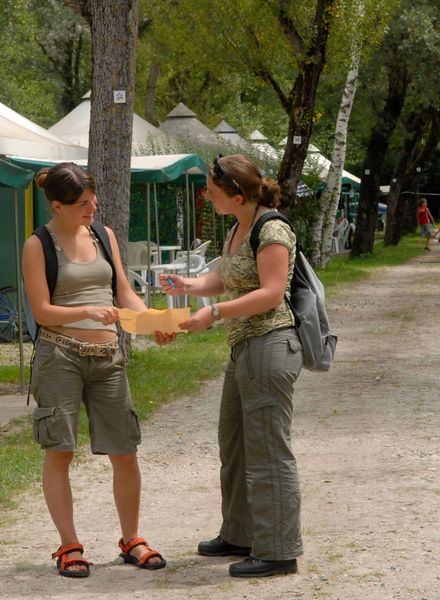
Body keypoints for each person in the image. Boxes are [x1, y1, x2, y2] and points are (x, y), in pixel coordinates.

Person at [22, 163, 174, 578]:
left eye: (94, 200)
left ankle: (132, 540)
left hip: (108, 359)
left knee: (125, 449)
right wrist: (87, 310)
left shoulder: (103, 235)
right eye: (83, 204)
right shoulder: (38, 245)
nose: (92, 208)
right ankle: (69, 546)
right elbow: (42, 312)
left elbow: (123, 292)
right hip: (60, 358)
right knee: (60, 451)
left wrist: (153, 321)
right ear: (58, 205)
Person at [159, 154, 303, 578]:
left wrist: (215, 313)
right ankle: (240, 533)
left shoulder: (272, 229)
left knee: (268, 450)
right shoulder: (240, 226)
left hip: (269, 345)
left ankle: (277, 550)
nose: (206, 196)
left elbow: (271, 293)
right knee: (235, 444)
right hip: (244, 347)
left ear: (237, 195)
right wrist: (189, 286)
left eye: (211, 191)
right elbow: (227, 278)